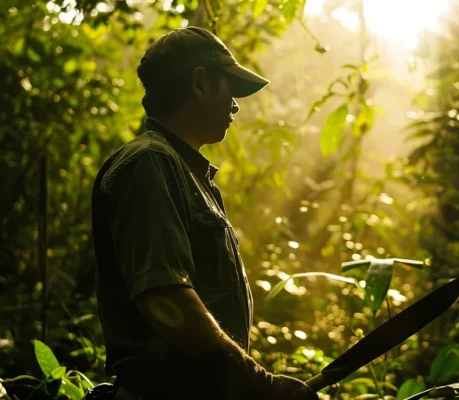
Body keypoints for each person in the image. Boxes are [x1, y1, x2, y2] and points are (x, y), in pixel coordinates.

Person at [91, 27, 319, 400]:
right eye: (229, 89)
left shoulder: (188, 175)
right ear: (199, 84)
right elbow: (163, 294)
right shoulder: (148, 164)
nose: (235, 105)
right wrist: (255, 380)